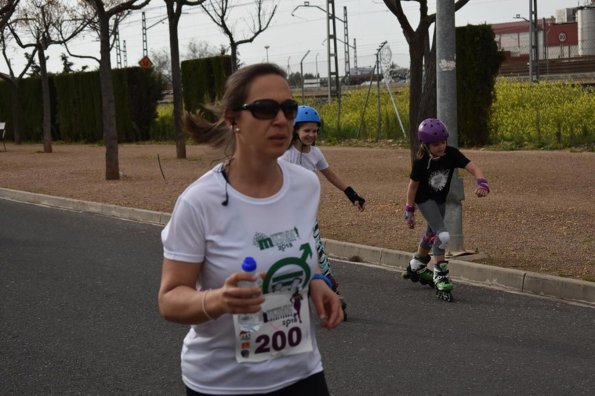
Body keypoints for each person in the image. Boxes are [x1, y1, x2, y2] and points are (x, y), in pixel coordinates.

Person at [158, 63, 343, 396]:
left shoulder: (305, 185)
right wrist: (219, 300)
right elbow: (170, 300)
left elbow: (299, 248)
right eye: (264, 109)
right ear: (233, 120)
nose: (282, 120)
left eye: (288, 109)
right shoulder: (199, 202)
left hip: (302, 373)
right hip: (223, 384)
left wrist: (315, 280)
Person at [280, 105, 366, 311]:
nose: (311, 134)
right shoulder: (285, 155)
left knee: (318, 253)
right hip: (285, 217)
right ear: (295, 130)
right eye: (306, 130)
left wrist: (351, 194)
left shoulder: (315, 153)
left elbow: (331, 175)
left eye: (315, 130)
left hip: (308, 216)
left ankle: (332, 292)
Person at [402, 118, 490, 302]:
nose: (441, 147)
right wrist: (409, 210)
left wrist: (482, 182)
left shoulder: (451, 154)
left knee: (431, 232)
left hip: (439, 200)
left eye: (443, 142)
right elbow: (412, 187)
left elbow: (473, 167)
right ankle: (440, 274)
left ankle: (417, 263)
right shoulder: (421, 161)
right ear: (426, 145)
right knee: (442, 235)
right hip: (425, 200)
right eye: (435, 144)